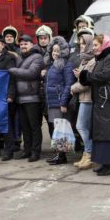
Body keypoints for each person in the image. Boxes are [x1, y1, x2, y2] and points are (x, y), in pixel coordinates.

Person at [79, 34, 110, 176]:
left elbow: (105, 75)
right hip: (102, 101)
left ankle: (109, 165)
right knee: (102, 133)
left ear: (104, 45)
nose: (94, 48)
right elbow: (98, 76)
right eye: (93, 45)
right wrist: (85, 77)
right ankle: (104, 163)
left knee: (107, 134)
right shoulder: (103, 58)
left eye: (96, 45)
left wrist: (86, 75)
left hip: (109, 102)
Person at [8, 35, 44, 162]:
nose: (23, 46)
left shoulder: (37, 57)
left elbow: (32, 73)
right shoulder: (20, 58)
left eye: (26, 44)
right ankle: (27, 150)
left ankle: (35, 152)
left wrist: (13, 70)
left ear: (32, 45)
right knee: (24, 127)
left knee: (34, 126)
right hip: (20, 98)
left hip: (33, 98)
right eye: (21, 44)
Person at [42, 36, 75, 165]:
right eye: (53, 50)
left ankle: (62, 156)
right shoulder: (51, 65)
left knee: (60, 128)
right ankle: (59, 154)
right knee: (55, 128)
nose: (55, 53)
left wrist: (63, 102)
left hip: (59, 102)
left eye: (58, 51)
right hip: (52, 102)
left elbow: (68, 84)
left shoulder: (66, 65)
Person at [71, 33, 96, 170]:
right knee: (83, 127)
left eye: (83, 43)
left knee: (81, 126)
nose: (81, 46)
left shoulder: (92, 61)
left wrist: (73, 88)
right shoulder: (84, 60)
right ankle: (87, 155)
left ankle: (89, 154)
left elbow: (86, 83)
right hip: (83, 98)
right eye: (80, 43)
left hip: (88, 99)